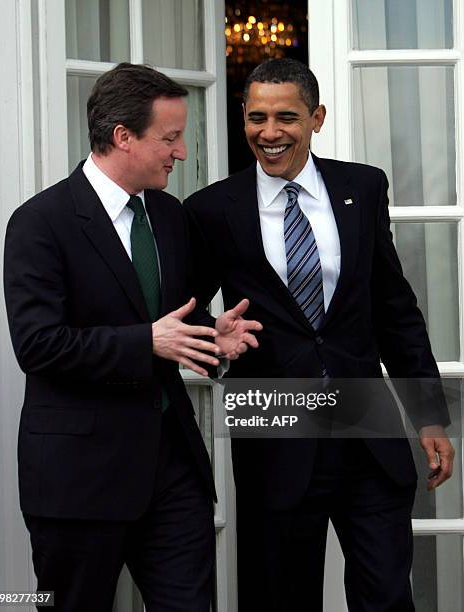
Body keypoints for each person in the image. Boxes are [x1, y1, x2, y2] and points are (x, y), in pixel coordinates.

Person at [184, 58, 455, 612]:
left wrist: (428, 416)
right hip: (274, 420)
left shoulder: (362, 186)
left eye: (286, 116)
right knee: (281, 595)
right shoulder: (211, 209)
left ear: (317, 118)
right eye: (256, 117)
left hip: (365, 422)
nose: (269, 132)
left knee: (384, 592)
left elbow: (394, 308)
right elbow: (186, 318)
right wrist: (214, 341)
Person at [3, 62, 261, 612]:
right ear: (123, 137)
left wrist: (211, 338)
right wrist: (145, 342)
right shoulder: (39, 222)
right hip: (79, 480)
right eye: (170, 138)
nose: (182, 152)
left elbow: (174, 326)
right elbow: (38, 345)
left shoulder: (171, 217)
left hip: (173, 473)